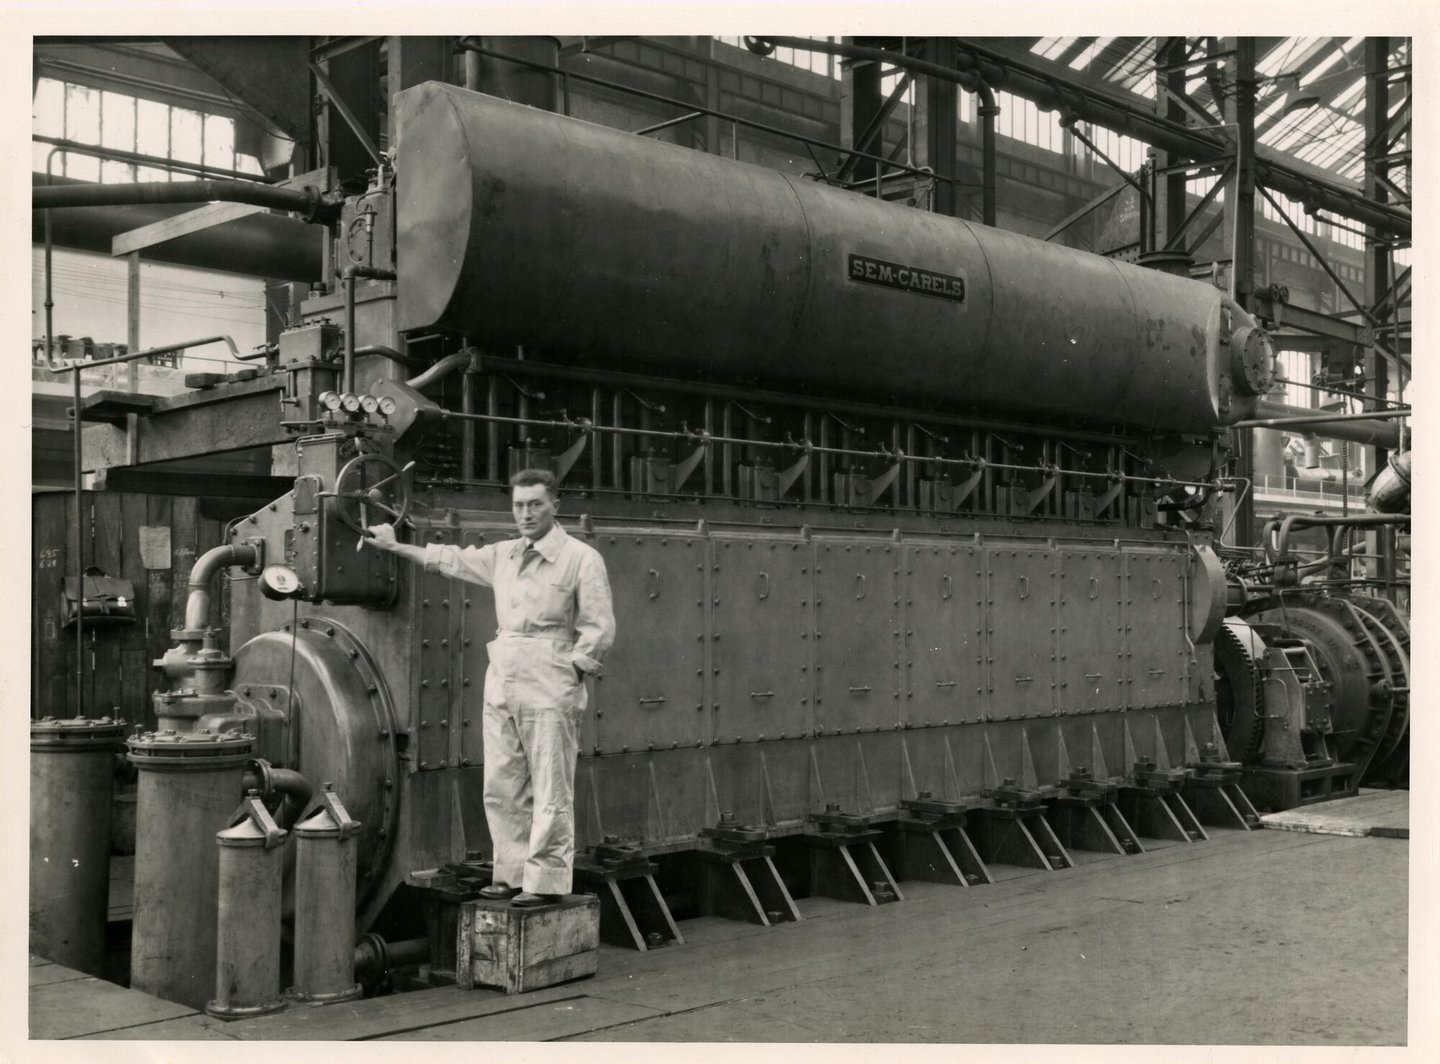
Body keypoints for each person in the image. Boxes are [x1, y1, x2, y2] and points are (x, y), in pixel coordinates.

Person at [363, 468, 615, 907]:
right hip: (502, 674)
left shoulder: (580, 559)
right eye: (518, 505)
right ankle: (511, 872)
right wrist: (394, 545)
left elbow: (599, 626)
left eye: (535, 504)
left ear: (555, 505)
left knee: (551, 786)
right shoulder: (504, 555)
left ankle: (546, 881)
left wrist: (573, 669)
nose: (526, 513)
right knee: (502, 782)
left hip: (549, 675)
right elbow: (450, 558)